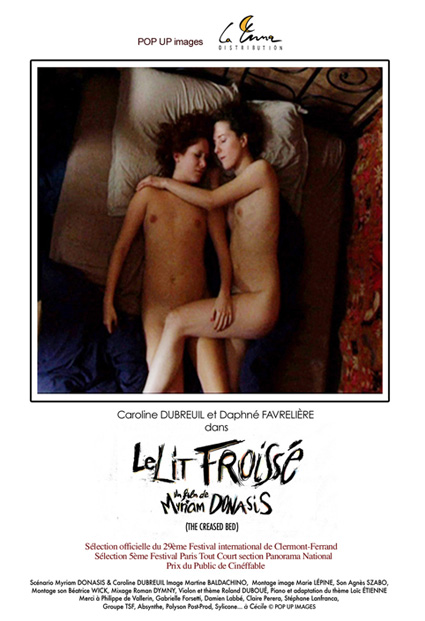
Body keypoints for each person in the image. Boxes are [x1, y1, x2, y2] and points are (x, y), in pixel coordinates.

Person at [136, 103, 281, 393]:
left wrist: (161, 182)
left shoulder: (261, 171)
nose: (217, 150)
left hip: (258, 301)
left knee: (177, 321)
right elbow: (217, 207)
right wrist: (213, 179)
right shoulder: (235, 187)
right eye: (215, 144)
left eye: (223, 140)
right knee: (224, 392)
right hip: (238, 301)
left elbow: (212, 201)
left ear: (243, 139)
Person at [103, 113, 233, 393]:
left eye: (206, 158)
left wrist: (224, 293)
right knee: (170, 396)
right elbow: (121, 247)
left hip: (198, 305)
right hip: (158, 311)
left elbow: (224, 252)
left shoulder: (205, 203)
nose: (203, 164)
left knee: (220, 394)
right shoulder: (148, 194)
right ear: (177, 155)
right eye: (197, 155)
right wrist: (108, 299)